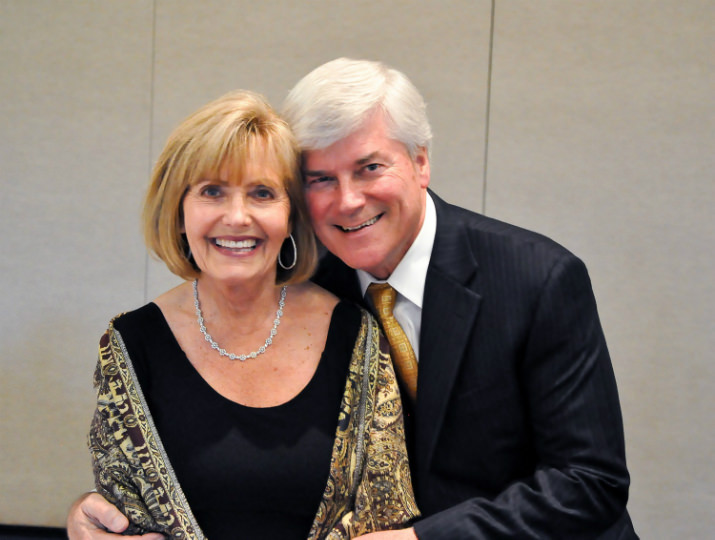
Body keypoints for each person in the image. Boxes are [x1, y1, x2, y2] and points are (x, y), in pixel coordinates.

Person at [69, 58, 638, 539]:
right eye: (320, 178)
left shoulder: (537, 277)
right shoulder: (319, 285)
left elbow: (591, 481)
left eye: (370, 168)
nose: (347, 201)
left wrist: (420, 539)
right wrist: (86, 517)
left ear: (420, 162)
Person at [74, 89, 419, 540]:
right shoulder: (129, 345)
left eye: (262, 193)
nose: (237, 217)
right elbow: (118, 520)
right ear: (179, 212)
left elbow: (384, 517)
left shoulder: (357, 336)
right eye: (212, 192)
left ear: (291, 215)